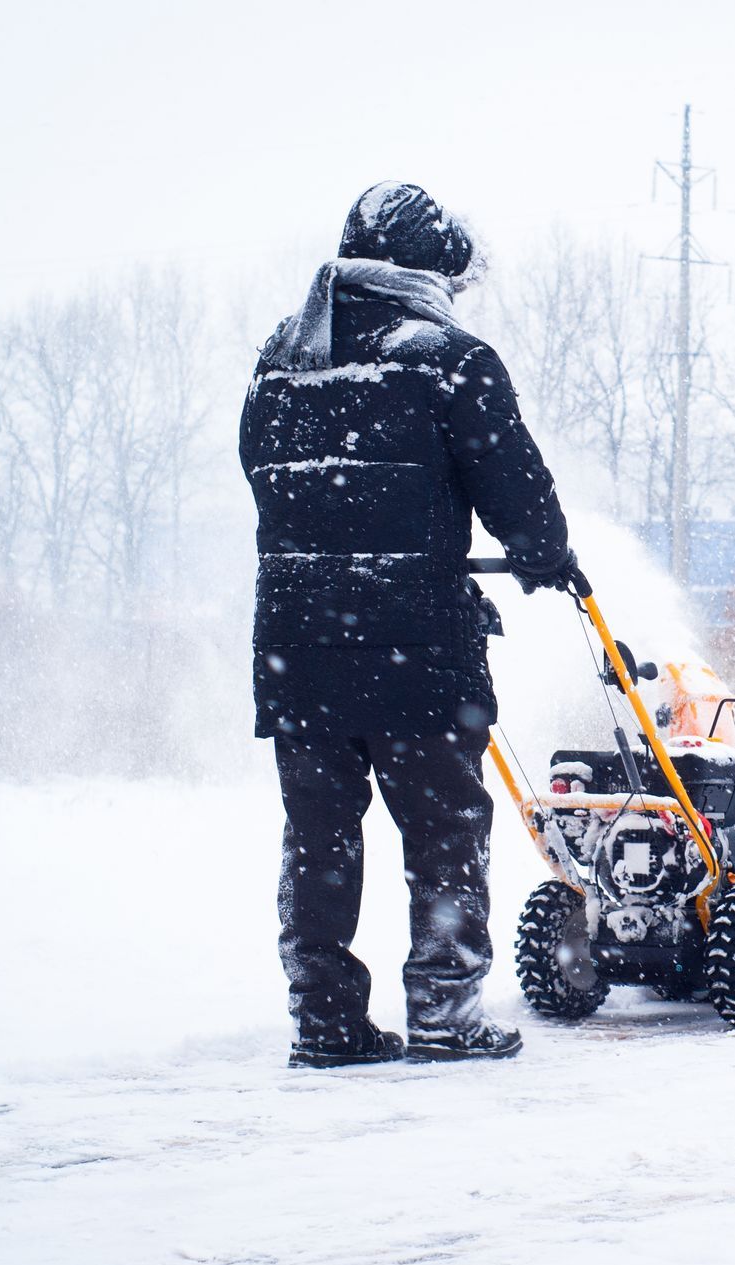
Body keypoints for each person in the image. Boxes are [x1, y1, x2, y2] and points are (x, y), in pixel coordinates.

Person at [239, 182, 577, 1067]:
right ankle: (444, 1009)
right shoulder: (451, 361)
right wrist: (545, 555)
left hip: (296, 652)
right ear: (426, 271)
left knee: (318, 837)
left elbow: (265, 478)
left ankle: (325, 1020)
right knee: (444, 830)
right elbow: (522, 501)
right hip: (415, 650)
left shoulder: (281, 358)